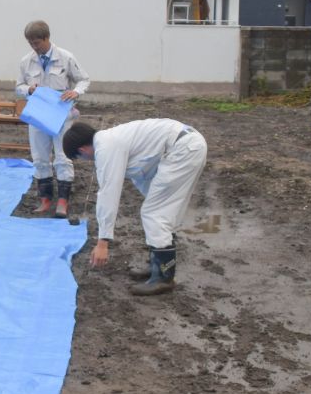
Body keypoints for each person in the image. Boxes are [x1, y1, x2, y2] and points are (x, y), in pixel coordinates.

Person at [62, 119, 207, 295]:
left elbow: (108, 193)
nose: (85, 160)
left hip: (183, 149)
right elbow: (142, 175)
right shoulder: (113, 139)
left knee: (153, 212)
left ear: (82, 150)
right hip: (186, 145)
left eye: (80, 158)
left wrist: (103, 242)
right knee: (160, 211)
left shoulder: (106, 148)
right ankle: (158, 266)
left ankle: (163, 278)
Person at [15, 20, 90, 218]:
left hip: (60, 114)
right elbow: (18, 86)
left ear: (47, 38)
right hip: (38, 113)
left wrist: (75, 92)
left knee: (63, 156)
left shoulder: (65, 58)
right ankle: (45, 199)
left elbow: (84, 79)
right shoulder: (26, 61)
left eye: (37, 42)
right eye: (30, 43)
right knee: (39, 156)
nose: (34, 47)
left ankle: (63, 201)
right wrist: (28, 89)